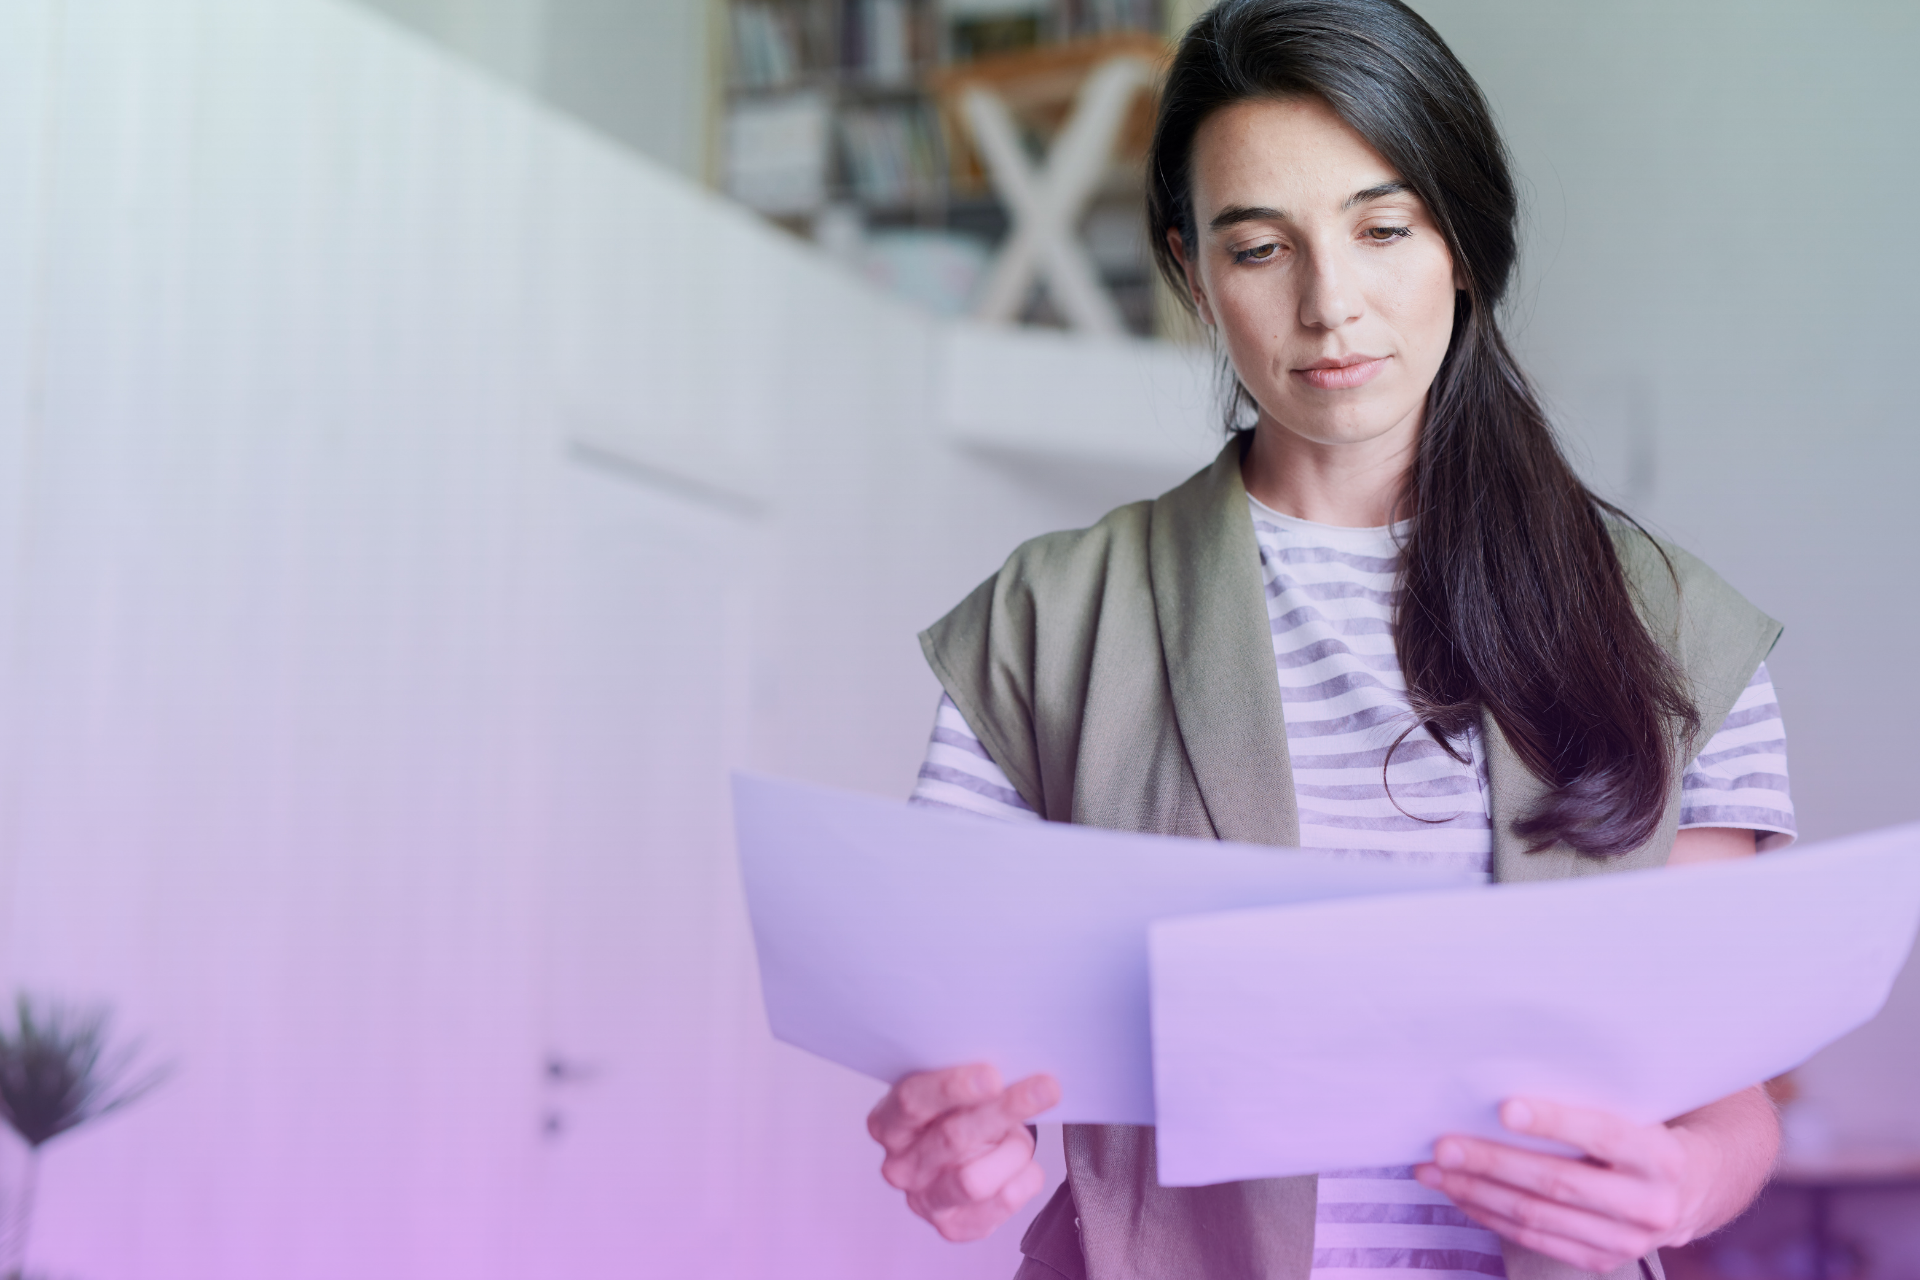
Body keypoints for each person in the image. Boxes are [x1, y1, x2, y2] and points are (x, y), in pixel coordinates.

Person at [867, 2, 1793, 1277]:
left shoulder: (1676, 628)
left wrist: (1686, 1182)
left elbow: (1724, 1089)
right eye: (1260, 248)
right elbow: (965, 1062)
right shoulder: (1049, 622)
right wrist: (964, 1159)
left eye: (1383, 228)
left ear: (1459, 241)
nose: (1330, 304)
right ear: (1193, 271)